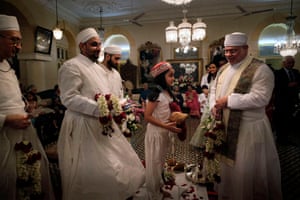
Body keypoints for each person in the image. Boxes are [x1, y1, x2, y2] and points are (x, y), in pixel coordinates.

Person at [57, 28, 145, 200]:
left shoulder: (97, 68)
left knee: (115, 163)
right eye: (94, 44)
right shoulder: (71, 66)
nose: (98, 48)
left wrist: (112, 106)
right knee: (93, 168)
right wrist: (99, 109)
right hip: (83, 124)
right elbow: (69, 98)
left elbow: (105, 94)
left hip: (103, 123)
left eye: (99, 45)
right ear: (82, 46)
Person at [209, 32, 282, 200]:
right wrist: (214, 105)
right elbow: (214, 90)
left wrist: (228, 100)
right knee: (227, 169)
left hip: (249, 128)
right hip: (225, 125)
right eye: (226, 51)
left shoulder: (260, 69)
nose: (228, 55)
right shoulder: (223, 69)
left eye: (233, 51)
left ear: (246, 49)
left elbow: (261, 98)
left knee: (245, 168)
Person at [0, 14, 54, 200]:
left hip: (22, 134)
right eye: (14, 40)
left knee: (31, 175)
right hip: (3, 137)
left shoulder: (8, 66)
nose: (19, 47)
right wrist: (6, 119)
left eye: (20, 41)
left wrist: (24, 106)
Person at [144, 61, 182, 200]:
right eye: (170, 76)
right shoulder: (155, 95)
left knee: (159, 163)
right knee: (154, 164)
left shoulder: (167, 92)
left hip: (164, 132)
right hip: (156, 133)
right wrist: (166, 126)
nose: (173, 78)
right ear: (161, 77)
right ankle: (153, 194)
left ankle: (158, 190)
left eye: (173, 75)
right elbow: (147, 116)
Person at [274, 56, 300, 144]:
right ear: (284, 63)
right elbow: (276, 87)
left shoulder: (296, 72)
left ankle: (287, 137)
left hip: (293, 101)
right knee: (281, 120)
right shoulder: (278, 73)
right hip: (281, 102)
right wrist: (288, 85)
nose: (291, 64)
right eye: (289, 62)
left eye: (293, 62)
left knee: (290, 120)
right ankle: (280, 138)